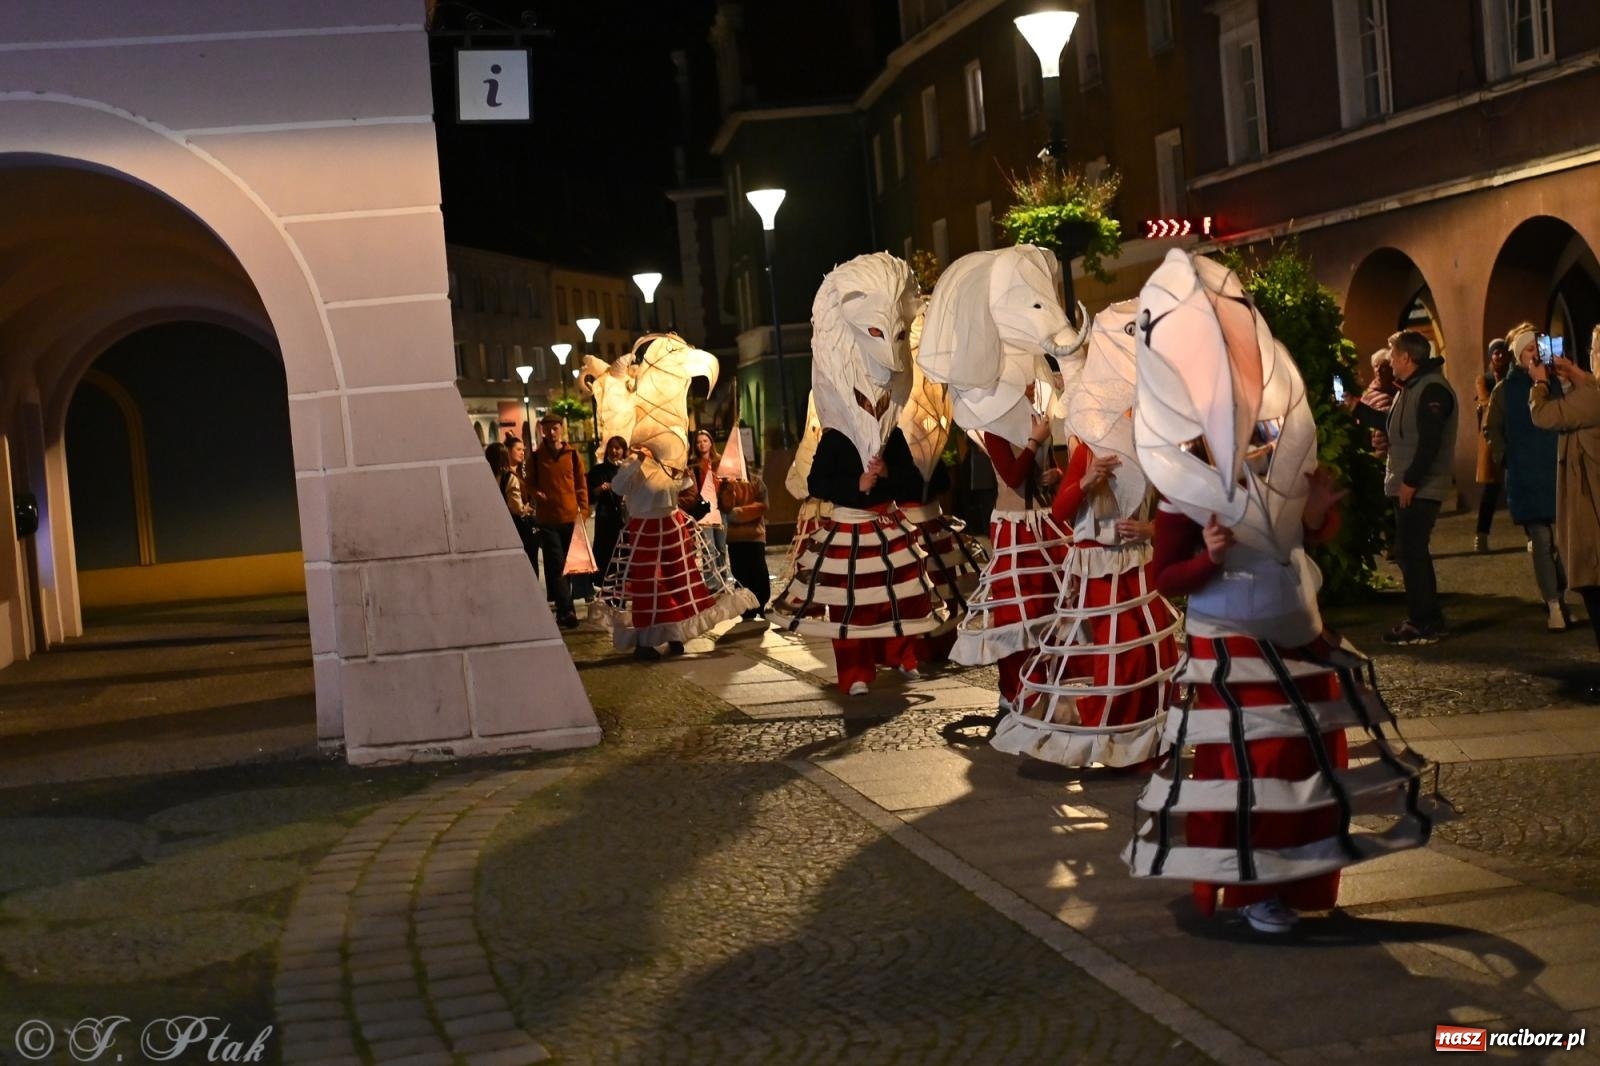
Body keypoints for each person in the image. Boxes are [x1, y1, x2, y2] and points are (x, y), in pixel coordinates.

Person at [1125, 249, 1440, 935]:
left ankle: (1297, 878)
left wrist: (1319, 508)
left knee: (1311, 759)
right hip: (1234, 643)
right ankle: (1249, 888)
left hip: (1300, 629)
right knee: (1256, 760)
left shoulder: (1279, 457)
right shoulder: (1184, 482)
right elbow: (1167, 578)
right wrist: (1205, 559)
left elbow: (1303, 539)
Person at [1349, 329, 1457, 645]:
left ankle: (1427, 622)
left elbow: (1430, 441)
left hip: (1421, 487)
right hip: (1409, 485)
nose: (1391, 362)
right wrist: (1358, 408)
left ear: (1407, 358)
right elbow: (1393, 425)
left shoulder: (1431, 389)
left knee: (1413, 553)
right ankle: (1422, 618)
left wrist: (1411, 481)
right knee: (1409, 553)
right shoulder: (1410, 388)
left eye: (1394, 356)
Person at [605, 442, 755, 659]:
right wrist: (637, 460)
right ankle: (645, 642)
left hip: (671, 525)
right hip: (645, 527)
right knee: (650, 583)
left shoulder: (668, 462)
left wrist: (679, 472)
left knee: (678, 582)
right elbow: (618, 487)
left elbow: (685, 486)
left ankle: (675, 634)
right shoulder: (633, 461)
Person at [1529, 325, 1600, 693]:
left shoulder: (1593, 399)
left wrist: (1539, 382)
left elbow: (1545, 415)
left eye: (1595, 348)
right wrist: (1575, 375)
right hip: (1588, 505)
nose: (1592, 353)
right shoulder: (1593, 391)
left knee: (1596, 587)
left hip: (1593, 511)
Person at [1487, 324, 1568, 630]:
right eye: (1530, 350)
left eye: (1539, 348)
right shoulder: (1504, 390)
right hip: (1526, 473)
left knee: (1561, 541)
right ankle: (1554, 606)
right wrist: (1506, 456)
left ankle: (1559, 595)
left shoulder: (1556, 382)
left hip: (1556, 468)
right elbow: (1491, 428)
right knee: (1542, 538)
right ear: (1519, 355)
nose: (1536, 354)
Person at [499, 436, 578, 628]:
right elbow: (515, 505)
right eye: (518, 449)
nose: (522, 452)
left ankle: (562, 605)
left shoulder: (518, 473)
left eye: (523, 449)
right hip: (526, 524)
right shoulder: (511, 476)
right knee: (544, 563)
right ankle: (560, 606)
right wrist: (528, 507)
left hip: (538, 522)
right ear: (508, 452)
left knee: (552, 563)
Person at [528, 417, 590, 611]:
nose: (551, 433)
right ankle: (566, 609)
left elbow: (581, 485)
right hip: (548, 519)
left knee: (571, 565)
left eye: (554, 428)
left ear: (561, 429)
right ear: (542, 431)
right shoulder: (537, 457)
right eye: (547, 429)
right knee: (556, 564)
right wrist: (535, 492)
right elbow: (529, 482)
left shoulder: (572, 455)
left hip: (571, 517)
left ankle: (567, 602)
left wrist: (584, 511)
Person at [1474, 340, 1512, 552]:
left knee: (1517, 484)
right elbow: (1486, 402)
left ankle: (1530, 532)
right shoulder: (1485, 380)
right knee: (1491, 490)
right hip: (1490, 440)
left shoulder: (1512, 378)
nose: (1498, 356)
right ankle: (1481, 535)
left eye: (1501, 352)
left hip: (1511, 436)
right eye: (1495, 353)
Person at [719, 470, 770, 621]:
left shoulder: (756, 482)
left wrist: (739, 514)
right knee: (740, 573)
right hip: (736, 538)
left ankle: (761, 604)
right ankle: (746, 608)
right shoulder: (727, 484)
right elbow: (725, 507)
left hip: (755, 535)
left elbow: (763, 505)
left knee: (759, 571)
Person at [588, 435, 629, 582]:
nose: (614, 451)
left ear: (624, 450)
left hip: (626, 517)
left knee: (625, 551)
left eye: (618, 448)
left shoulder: (629, 469)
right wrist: (601, 488)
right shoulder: (599, 470)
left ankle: (624, 584)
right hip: (606, 517)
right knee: (607, 552)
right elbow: (591, 493)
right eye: (611, 447)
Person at [688, 429, 726, 574]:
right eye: (698, 442)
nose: (702, 444)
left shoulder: (720, 461)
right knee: (708, 547)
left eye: (705, 441)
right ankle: (712, 584)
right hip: (704, 509)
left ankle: (723, 578)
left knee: (721, 547)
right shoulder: (693, 464)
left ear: (711, 442)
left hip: (720, 507)